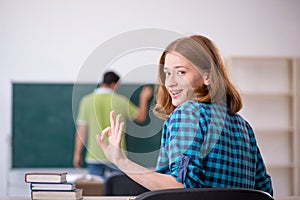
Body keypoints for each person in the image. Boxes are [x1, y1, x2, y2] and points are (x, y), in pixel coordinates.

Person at [96, 35, 273, 195]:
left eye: (181, 72)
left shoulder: (188, 113)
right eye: (167, 73)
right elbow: (264, 191)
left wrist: (120, 160)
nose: (170, 83)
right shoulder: (243, 125)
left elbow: (182, 188)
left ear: (207, 77)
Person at [73, 71, 152, 179]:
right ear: (114, 84)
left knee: (96, 192)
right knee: (117, 190)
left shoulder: (86, 101)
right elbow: (141, 117)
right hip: (117, 156)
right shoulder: (121, 101)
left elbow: (81, 131)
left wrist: (77, 154)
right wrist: (144, 98)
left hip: (94, 156)